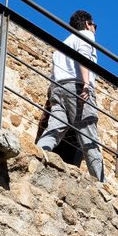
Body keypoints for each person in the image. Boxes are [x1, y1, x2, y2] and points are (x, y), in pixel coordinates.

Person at [37, 10, 104, 182]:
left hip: (58, 88)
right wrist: (87, 84)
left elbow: (54, 73)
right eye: (94, 25)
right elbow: (83, 57)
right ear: (88, 24)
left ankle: (37, 155)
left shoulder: (62, 44)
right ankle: (101, 184)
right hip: (76, 87)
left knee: (56, 126)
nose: (95, 29)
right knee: (89, 135)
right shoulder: (86, 35)